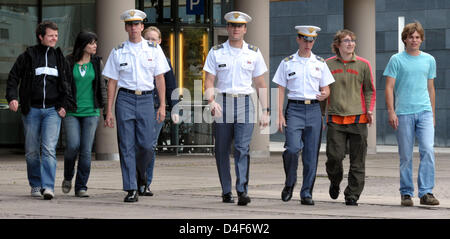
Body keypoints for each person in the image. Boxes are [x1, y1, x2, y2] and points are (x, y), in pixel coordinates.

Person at [102, 9, 170, 203]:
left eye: (137, 24)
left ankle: (141, 176)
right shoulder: (118, 51)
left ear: (142, 26)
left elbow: (160, 78)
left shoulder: (153, 49)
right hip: (125, 99)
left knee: (147, 146)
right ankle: (131, 187)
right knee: (126, 146)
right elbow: (112, 82)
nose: (133, 28)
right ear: (126, 27)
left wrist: (162, 105)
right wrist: (109, 111)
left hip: (147, 99)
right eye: (130, 24)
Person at [203, 11, 269, 206]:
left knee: (242, 148)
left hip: (245, 102)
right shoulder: (216, 52)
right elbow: (209, 79)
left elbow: (260, 82)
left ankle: (242, 190)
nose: (235, 29)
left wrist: (266, 110)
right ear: (228, 28)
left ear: (245, 29)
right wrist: (211, 101)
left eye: (239, 26)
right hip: (222, 102)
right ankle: (226, 190)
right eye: (232, 25)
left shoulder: (254, 52)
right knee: (221, 150)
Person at [6, 21, 76, 200]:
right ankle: (36, 184)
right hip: (32, 111)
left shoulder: (60, 58)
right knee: (31, 151)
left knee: (48, 149)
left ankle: (48, 187)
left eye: (56, 35)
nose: (55, 38)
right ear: (41, 37)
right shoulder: (27, 56)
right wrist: (12, 98)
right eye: (51, 35)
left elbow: (69, 84)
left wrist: (64, 106)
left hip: (53, 111)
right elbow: (13, 78)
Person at [272, 25, 334, 205]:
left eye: (312, 40)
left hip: (314, 110)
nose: (308, 44)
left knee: (311, 154)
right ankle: (290, 182)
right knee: (291, 149)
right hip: (295, 109)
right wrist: (279, 115)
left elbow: (327, 88)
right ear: (298, 39)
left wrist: (325, 94)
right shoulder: (287, 62)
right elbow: (281, 89)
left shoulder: (320, 63)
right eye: (305, 40)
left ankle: (306, 192)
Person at [384, 21, 439, 206]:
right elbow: (389, 87)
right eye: (410, 37)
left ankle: (426, 193)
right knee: (406, 155)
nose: (414, 40)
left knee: (428, 150)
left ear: (421, 39)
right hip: (404, 113)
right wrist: (391, 112)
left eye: (417, 37)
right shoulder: (396, 60)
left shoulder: (429, 60)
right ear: (404, 39)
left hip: (424, 112)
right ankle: (406, 193)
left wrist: (432, 114)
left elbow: (431, 88)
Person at [324, 29, 376, 206]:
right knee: (334, 157)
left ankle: (352, 194)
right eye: (346, 40)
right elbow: (322, 90)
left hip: (358, 119)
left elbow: (369, 89)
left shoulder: (363, 64)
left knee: (358, 161)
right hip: (335, 119)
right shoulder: (327, 65)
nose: (350, 43)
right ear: (337, 44)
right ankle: (335, 180)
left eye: (353, 40)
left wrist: (369, 109)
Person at [61, 31, 106, 198]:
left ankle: (81, 186)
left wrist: (106, 110)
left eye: (95, 42)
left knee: (86, 151)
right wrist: (62, 104)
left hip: (91, 112)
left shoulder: (97, 62)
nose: (95, 46)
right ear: (83, 45)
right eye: (92, 43)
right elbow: (63, 85)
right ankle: (67, 176)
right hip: (71, 111)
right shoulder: (68, 61)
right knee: (73, 145)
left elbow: (102, 86)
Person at [142, 26, 179, 196]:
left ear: (160, 41)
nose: (151, 41)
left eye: (154, 39)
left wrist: (174, 108)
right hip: (139, 104)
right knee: (137, 146)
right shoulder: (139, 57)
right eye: (148, 38)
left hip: (157, 107)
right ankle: (134, 181)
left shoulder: (165, 61)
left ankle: (145, 183)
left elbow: (171, 85)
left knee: (149, 145)